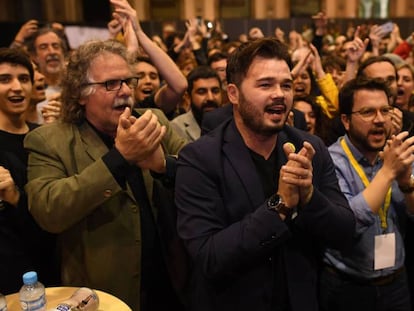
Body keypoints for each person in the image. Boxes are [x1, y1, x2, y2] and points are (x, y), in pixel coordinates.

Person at [175, 37, 355, 311]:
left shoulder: (310, 148)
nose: (280, 94)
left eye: (286, 84)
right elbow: (209, 257)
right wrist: (280, 204)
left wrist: (308, 196)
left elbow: (344, 231)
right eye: (265, 84)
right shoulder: (199, 159)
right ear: (233, 94)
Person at [24, 35, 187, 310]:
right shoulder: (50, 141)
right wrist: (119, 159)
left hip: (171, 281)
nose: (124, 91)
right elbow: (48, 210)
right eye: (110, 84)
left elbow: (203, 173)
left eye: (128, 81)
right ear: (79, 92)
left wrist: (163, 166)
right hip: (103, 292)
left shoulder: (153, 121)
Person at [320, 77, 414, 311]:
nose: (380, 120)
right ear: (346, 120)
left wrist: (405, 183)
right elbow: (348, 224)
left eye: (385, 110)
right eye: (368, 112)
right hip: (347, 286)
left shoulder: (399, 153)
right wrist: (388, 172)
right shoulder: (330, 161)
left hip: (396, 283)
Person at [0, 47, 60, 294]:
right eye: (5, 80)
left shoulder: (44, 136)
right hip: (9, 274)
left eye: (24, 79)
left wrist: (16, 198)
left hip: (53, 264)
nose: (17, 87)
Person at [171, 66, 222, 142]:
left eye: (215, 91)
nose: (210, 98)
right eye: (202, 92)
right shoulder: (176, 127)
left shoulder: (232, 123)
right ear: (188, 97)